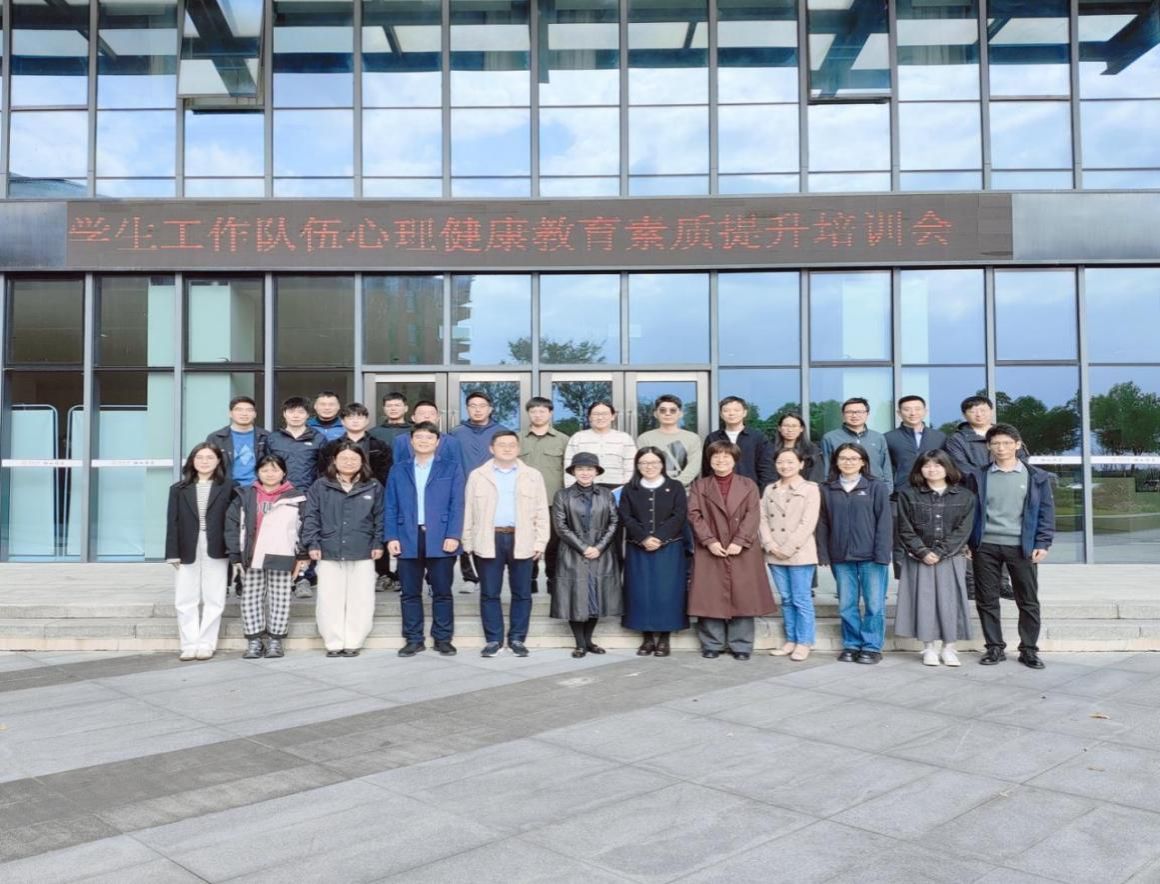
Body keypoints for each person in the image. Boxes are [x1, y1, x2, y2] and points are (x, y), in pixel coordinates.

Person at [964, 424, 1055, 670]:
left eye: (1006, 443)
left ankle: (1029, 650)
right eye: (995, 443)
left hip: (1021, 547)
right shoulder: (978, 476)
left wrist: (1043, 542)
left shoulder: (1036, 476)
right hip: (985, 546)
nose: (1001, 448)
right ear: (988, 446)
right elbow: (969, 511)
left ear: (1017, 444)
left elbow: (1046, 512)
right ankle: (994, 647)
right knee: (987, 599)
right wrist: (968, 541)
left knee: (1028, 600)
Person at [463, 430, 551, 658]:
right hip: (488, 538)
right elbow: (468, 510)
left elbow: (542, 511)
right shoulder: (478, 475)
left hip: (522, 538)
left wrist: (541, 541)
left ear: (518, 449)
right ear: (491, 448)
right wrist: (467, 541)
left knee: (522, 592)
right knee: (489, 593)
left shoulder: (532, 475)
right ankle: (493, 639)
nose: (507, 448)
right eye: (502, 444)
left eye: (512, 444)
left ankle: (517, 638)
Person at [688, 440, 774, 660]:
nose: (721, 460)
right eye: (716, 456)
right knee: (709, 595)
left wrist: (740, 541)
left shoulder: (748, 485)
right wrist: (709, 541)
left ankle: (741, 644)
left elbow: (753, 514)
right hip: (710, 546)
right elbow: (694, 515)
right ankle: (712, 643)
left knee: (743, 595)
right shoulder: (700, 486)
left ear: (735, 460)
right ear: (709, 460)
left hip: (742, 547)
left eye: (726, 456)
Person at [385, 422, 464, 658]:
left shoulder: (451, 468)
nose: (423, 441)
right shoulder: (399, 469)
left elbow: (458, 504)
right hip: (407, 536)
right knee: (410, 592)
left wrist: (454, 535)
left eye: (429, 438)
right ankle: (413, 639)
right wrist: (391, 536)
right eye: (419, 437)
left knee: (442, 591)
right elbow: (390, 505)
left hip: (441, 536)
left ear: (438, 442)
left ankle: (443, 638)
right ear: (411, 441)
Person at [301, 441, 384, 657]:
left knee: (361, 598)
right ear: (334, 461)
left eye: (354, 459)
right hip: (328, 549)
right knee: (329, 598)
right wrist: (312, 542)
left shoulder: (373, 486)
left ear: (362, 461)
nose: (349, 462)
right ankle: (333, 642)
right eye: (344, 458)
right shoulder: (321, 485)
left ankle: (354, 641)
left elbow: (380, 517)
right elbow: (311, 515)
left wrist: (378, 542)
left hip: (362, 548)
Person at [895, 450, 976, 667]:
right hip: (918, 557)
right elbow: (904, 528)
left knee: (950, 602)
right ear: (919, 469)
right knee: (924, 602)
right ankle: (929, 647)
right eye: (927, 465)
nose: (932, 469)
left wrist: (940, 552)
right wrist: (922, 551)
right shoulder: (908, 495)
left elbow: (963, 530)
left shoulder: (965, 496)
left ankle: (949, 648)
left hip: (951, 557)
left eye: (938, 465)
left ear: (947, 467)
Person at [816, 442, 893, 664]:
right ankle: (851, 644)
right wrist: (823, 552)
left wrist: (882, 554)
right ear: (836, 461)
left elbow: (885, 522)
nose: (848, 462)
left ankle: (871, 647)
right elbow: (822, 523)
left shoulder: (875, 486)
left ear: (863, 462)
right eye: (843, 458)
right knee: (847, 604)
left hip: (871, 556)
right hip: (841, 556)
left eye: (853, 458)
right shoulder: (827, 488)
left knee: (874, 604)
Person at [225, 454, 307, 660]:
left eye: (275, 469)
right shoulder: (245, 495)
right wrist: (235, 554)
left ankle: (275, 641)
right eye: (265, 470)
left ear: (283, 472)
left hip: (282, 553)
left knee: (280, 598)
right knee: (251, 597)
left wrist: (303, 553)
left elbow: (304, 526)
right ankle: (254, 640)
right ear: (257, 473)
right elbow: (232, 524)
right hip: (252, 554)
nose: (270, 474)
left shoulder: (296, 497)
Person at [946, 395, 1027, 600]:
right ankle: (972, 584)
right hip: (972, 494)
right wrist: (990, 477)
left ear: (991, 411)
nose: (978, 414)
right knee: (975, 539)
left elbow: (1022, 460)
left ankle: (1003, 584)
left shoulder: (1006, 434)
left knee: (1004, 536)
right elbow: (960, 466)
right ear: (965, 414)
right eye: (972, 411)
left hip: (1007, 493)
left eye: (982, 409)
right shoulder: (957, 439)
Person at [618, 447, 689, 657]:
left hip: (669, 547)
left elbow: (679, 514)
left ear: (662, 464)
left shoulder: (675, 486)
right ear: (637, 466)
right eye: (644, 463)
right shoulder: (630, 488)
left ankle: (665, 637)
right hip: (638, 547)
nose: (649, 467)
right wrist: (643, 538)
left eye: (654, 462)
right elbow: (626, 516)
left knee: (668, 592)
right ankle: (647, 638)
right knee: (641, 592)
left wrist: (659, 537)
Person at [165, 443, 232, 661]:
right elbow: (172, 522)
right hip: (187, 545)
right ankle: (189, 644)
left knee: (215, 597)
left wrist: (234, 551)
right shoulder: (178, 489)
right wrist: (172, 552)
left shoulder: (230, 487)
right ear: (192, 461)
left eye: (210, 457)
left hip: (217, 545)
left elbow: (234, 522)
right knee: (185, 597)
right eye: (200, 457)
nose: (204, 462)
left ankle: (206, 643)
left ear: (218, 461)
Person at [552, 452, 622, 657]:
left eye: (589, 469)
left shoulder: (606, 495)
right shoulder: (562, 495)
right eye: (580, 469)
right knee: (575, 596)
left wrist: (599, 547)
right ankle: (580, 644)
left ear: (596, 472)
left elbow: (614, 522)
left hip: (601, 553)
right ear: (573, 471)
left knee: (595, 597)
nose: (585, 473)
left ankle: (589, 641)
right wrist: (583, 547)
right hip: (572, 553)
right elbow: (561, 526)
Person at [760, 448, 820, 662]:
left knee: (801, 599)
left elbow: (808, 523)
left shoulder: (810, 489)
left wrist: (787, 548)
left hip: (799, 552)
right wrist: (769, 544)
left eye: (790, 462)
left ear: (801, 464)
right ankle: (791, 640)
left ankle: (804, 642)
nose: (785, 466)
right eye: (780, 462)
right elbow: (762, 518)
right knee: (786, 599)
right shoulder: (770, 489)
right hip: (774, 552)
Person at [266, 396, 327, 600]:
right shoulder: (273, 438)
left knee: (306, 535)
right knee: (281, 536)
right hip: (280, 495)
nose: (296, 415)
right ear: (284, 414)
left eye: (300, 412)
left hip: (308, 495)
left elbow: (323, 469)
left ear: (308, 415)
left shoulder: (318, 438)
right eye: (291, 411)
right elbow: (266, 467)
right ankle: (282, 577)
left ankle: (304, 578)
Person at [884, 395, 948, 578]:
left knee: (931, 536)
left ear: (925, 411)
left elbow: (947, 465)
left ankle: (931, 581)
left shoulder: (939, 437)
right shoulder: (888, 438)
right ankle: (904, 581)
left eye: (917, 408)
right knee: (900, 540)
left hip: (933, 494)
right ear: (899, 413)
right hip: (900, 495)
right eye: (907, 409)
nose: (912, 413)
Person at [451, 391, 509, 588]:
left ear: (490, 409)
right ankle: (470, 577)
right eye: (473, 406)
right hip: (463, 489)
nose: (477, 410)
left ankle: (490, 575)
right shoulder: (456, 433)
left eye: (482, 406)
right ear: (467, 409)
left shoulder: (501, 432)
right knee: (466, 532)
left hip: (494, 491)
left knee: (490, 532)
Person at [519, 396, 569, 594]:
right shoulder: (517, 439)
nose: (538, 415)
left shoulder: (563, 440)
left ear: (550, 413)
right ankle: (528, 581)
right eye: (533, 411)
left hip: (553, 500)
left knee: (554, 544)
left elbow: (568, 471)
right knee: (526, 542)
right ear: (528, 413)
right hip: (523, 501)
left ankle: (553, 581)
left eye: (542, 411)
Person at [700, 395, 774, 491]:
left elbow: (766, 468)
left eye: (736, 410)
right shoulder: (713, 438)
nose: (731, 413)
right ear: (721, 414)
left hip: (749, 491)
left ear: (744, 413)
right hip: (718, 491)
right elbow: (706, 468)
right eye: (726, 410)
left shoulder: (757, 437)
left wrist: (761, 493)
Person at [564, 400, 637, 488]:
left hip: (617, 487)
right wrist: (571, 490)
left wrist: (626, 489)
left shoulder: (625, 438)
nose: (600, 417)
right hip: (585, 488)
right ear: (589, 417)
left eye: (605, 414)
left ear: (613, 416)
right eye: (596, 414)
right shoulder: (577, 438)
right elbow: (569, 466)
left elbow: (630, 467)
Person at [636, 394, 702, 488]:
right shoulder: (645, 438)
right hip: (653, 489)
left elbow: (694, 466)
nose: (667, 413)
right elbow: (643, 465)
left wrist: (675, 485)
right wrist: (660, 485)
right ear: (655, 414)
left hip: (683, 491)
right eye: (662, 410)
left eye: (673, 410)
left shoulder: (692, 438)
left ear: (680, 414)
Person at [206, 395, 269, 488]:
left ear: (255, 414)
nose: (244, 414)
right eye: (239, 410)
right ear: (230, 414)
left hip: (259, 489)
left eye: (249, 410)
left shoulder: (266, 437)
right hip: (226, 488)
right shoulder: (216, 438)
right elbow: (208, 466)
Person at [821, 397, 891, 481]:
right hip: (842, 486)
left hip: (875, 486)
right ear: (843, 414)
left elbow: (886, 467)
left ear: (867, 414)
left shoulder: (878, 437)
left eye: (859, 412)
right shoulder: (830, 438)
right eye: (849, 412)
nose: (854, 415)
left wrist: (887, 487)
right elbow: (826, 467)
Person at [772, 412, 824, 484]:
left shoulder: (812, 451)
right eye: (786, 426)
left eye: (794, 426)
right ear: (779, 428)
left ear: (801, 429)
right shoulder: (770, 450)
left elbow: (816, 478)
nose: (790, 430)